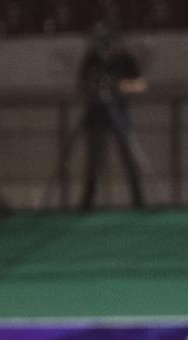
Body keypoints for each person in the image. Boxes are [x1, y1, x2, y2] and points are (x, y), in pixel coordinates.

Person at [60, 20, 150, 209]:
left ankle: (139, 200)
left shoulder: (124, 59)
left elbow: (141, 84)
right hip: (95, 115)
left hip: (118, 113)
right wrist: (93, 89)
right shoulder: (91, 59)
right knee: (93, 161)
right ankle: (87, 202)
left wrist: (121, 86)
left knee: (128, 158)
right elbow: (82, 85)